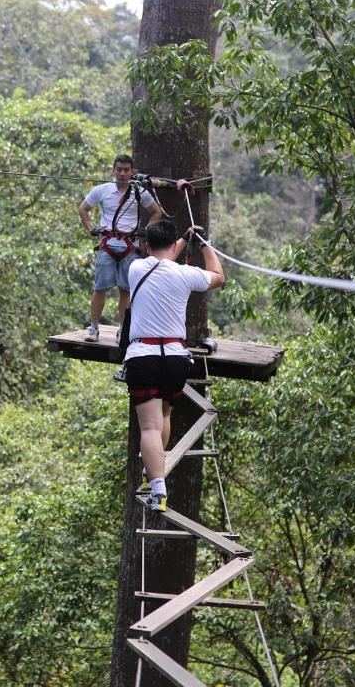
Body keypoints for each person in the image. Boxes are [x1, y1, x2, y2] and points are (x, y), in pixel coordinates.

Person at [123, 219, 225, 512]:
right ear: (172, 245)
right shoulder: (185, 274)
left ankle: (158, 488)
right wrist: (203, 244)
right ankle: (153, 472)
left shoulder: (136, 268)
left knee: (150, 426)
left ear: (146, 245)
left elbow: (163, 256)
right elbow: (218, 276)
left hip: (144, 356)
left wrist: (182, 238)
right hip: (177, 358)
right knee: (164, 412)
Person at [78, 155, 164, 342]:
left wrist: (145, 231)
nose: (123, 173)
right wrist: (92, 229)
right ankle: (93, 328)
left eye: (126, 170)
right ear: (114, 170)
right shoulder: (102, 190)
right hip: (107, 243)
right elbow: (83, 208)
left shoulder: (139, 191)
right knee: (100, 288)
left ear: (131, 171)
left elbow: (156, 211)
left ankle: (122, 331)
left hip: (129, 245)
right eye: (119, 169)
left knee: (125, 290)